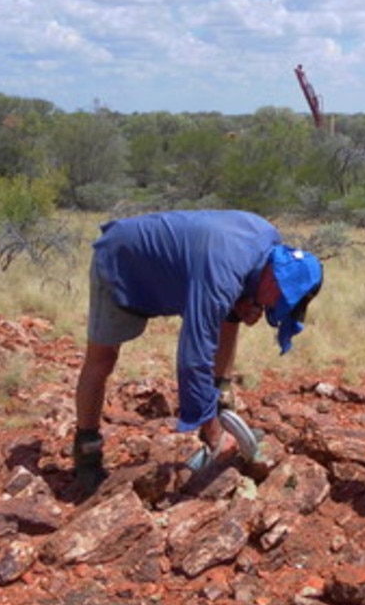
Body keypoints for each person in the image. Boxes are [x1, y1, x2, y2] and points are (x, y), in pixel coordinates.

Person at [73, 209, 323, 489]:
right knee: (102, 359)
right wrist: (213, 433)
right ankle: (87, 450)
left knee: (230, 316)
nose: (274, 310)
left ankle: (221, 405)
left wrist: (242, 302)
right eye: (280, 301)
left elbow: (230, 295)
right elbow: (193, 357)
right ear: (274, 279)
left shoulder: (268, 245)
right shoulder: (222, 273)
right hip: (125, 262)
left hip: (183, 273)